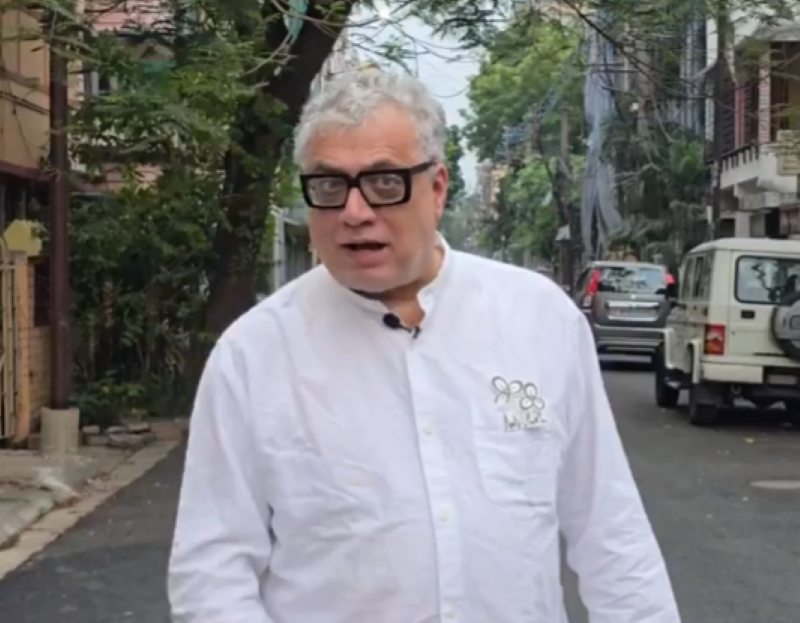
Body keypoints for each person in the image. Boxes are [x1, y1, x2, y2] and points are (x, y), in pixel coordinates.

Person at [168, 69, 681, 623]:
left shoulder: (539, 319)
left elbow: (610, 531)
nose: (355, 212)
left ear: (436, 188)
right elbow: (213, 571)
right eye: (329, 185)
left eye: (385, 182)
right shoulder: (254, 355)